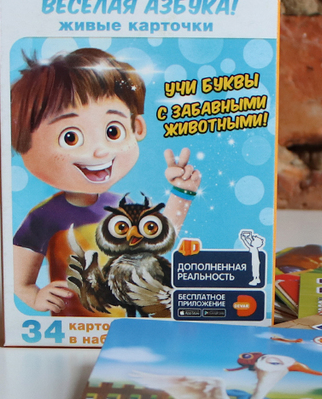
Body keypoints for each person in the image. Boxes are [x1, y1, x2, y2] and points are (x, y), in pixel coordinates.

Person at [11, 47, 201, 316]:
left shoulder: (125, 207)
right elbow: (20, 280)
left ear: (137, 128)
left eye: (112, 131)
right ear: (25, 144)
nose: (99, 151)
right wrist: (33, 295)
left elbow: (159, 240)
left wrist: (182, 193)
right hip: (73, 325)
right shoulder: (44, 217)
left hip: (127, 322)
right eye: (70, 138)